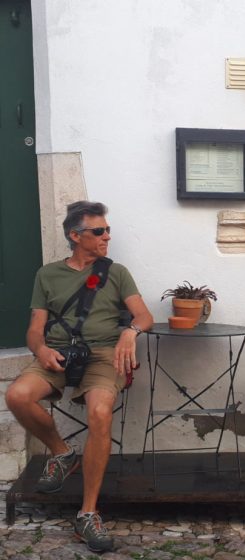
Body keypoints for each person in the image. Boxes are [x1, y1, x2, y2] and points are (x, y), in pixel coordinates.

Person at [5, 201, 153, 553]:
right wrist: (40, 351)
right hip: (57, 351)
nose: (107, 236)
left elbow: (144, 316)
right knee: (17, 396)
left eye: (107, 230)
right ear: (75, 236)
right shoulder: (48, 275)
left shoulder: (116, 272)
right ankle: (61, 452)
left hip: (103, 353)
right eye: (98, 231)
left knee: (100, 413)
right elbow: (34, 330)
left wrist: (130, 332)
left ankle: (87, 513)